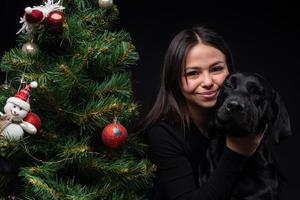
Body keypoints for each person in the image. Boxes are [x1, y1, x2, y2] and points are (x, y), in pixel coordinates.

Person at [140, 26, 266, 200]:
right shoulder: (162, 134)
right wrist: (236, 152)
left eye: (216, 69)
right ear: (175, 81)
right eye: (193, 73)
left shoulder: (236, 118)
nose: (207, 82)